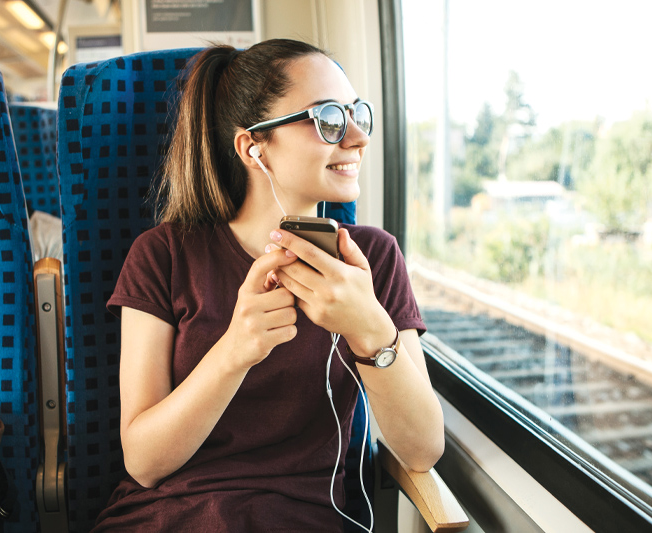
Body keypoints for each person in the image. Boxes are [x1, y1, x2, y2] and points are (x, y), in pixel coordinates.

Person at [93, 39, 444, 532]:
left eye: (356, 114)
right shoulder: (163, 255)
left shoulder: (374, 260)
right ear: (253, 147)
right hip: (167, 517)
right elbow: (145, 463)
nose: (358, 137)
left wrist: (369, 329)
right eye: (328, 119)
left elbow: (423, 448)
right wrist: (236, 350)